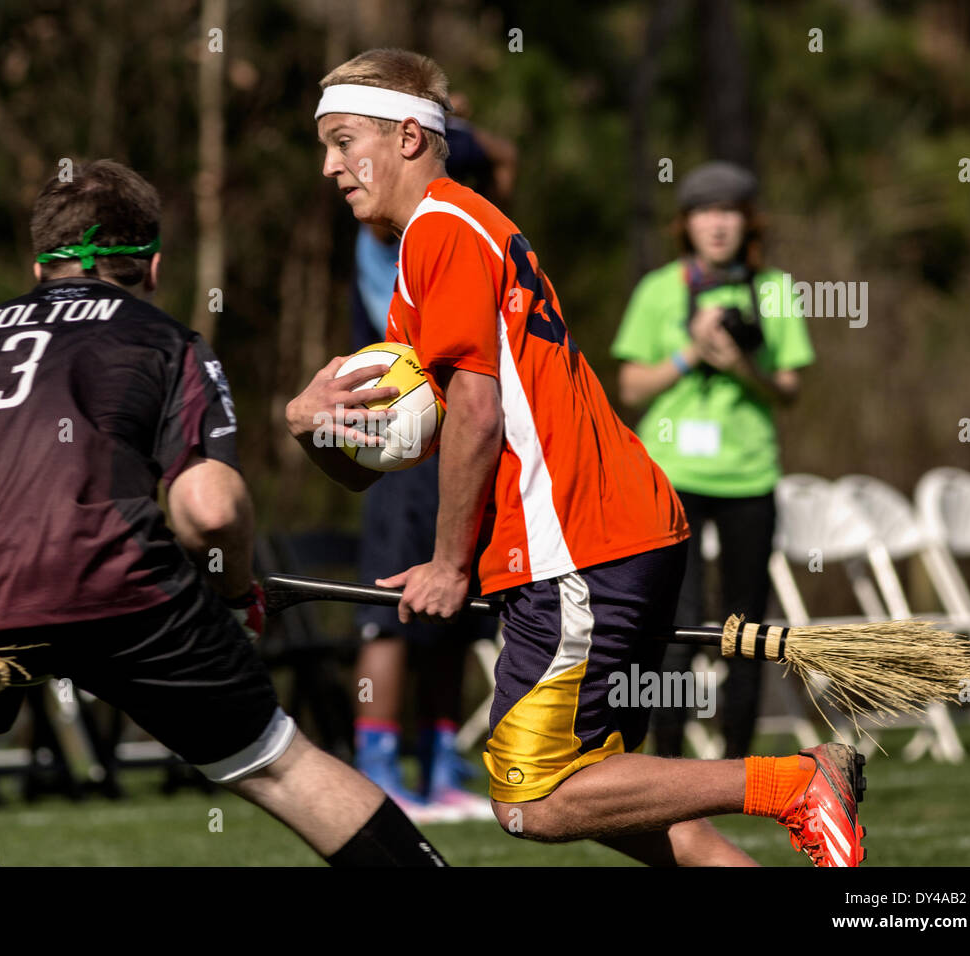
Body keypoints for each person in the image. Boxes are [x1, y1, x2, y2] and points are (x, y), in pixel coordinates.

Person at [286, 48, 864, 866]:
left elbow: (478, 415)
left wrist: (450, 564)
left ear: (410, 137)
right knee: (626, 804)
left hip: (578, 541)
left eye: (345, 141)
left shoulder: (444, 231)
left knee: (535, 800)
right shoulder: (447, 241)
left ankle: (795, 781)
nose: (330, 165)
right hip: (610, 532)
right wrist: (308, 424)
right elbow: (396, 450)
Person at [0, 159, 446, 867]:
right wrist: (235, 592)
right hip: (111, 582)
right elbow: (207, 509)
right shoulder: (166, 341)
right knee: (277, 762)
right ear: (152, 267)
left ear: (37, 265)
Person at [611, 161, 814, 759]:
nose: (717, 225)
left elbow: (789, 390)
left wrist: (740, 367)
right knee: (677, 623)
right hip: (672, 475)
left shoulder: (774, 288)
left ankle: (742, 766)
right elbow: (630, 389)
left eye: (729, 212)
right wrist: (689, 352)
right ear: (686, 224)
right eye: (704, 212)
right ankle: (668, 761)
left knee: (747, 627)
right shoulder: (658, 289)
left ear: (747, 223)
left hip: (749, 474)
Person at [349, 107, 514, 822]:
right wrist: (455, 127)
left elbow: (501, 164)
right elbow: (492, 153)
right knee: (391, 612)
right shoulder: (383, 226)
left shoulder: (459, 226)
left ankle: (442, 761)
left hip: (458, 445)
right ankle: (378, 763)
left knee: (458, 608)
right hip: (401, 443)